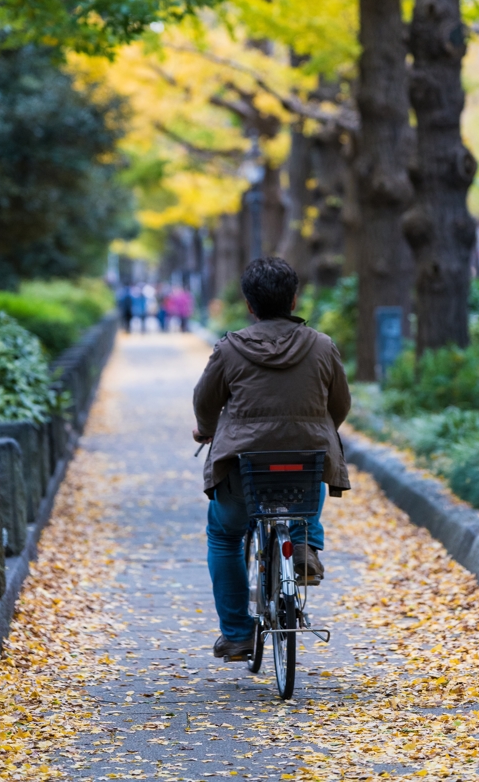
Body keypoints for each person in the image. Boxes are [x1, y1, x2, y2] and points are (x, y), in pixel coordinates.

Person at [192, 256, 351, 660]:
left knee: (224, 535)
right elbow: (341, 405)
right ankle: (303, 546)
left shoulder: (229, 350)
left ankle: (238, 634)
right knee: (306, 483)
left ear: (249, 304)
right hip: (306, 460)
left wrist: (205, 428)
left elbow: (205, 403)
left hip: (245, 467)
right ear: (294, 299)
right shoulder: (322, 346)